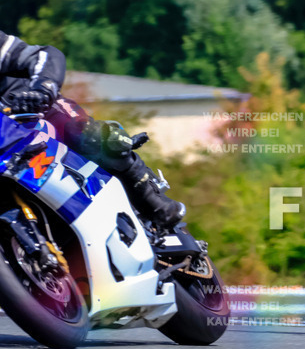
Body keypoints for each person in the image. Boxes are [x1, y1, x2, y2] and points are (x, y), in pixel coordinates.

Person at [0, 30, 185, 228]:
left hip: (32, 114)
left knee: (86, 134)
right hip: (5, 154)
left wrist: (42, 90)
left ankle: (149, 198)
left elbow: (45, 56)